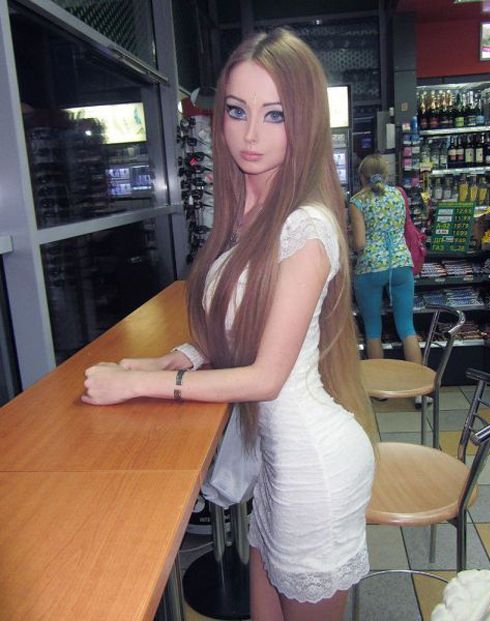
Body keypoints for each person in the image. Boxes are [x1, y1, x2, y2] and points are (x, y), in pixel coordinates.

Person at [82, 28, 375, 621]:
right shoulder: (250, 212)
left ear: (306, 123)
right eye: (238, 111)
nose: (250, 135)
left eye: (276, 116)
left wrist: (139, 384)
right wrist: (183, 355)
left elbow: (267, 375)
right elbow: (246, 317)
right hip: (277, 463)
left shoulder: (308, 227)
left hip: (312, 468)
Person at [349, 154, 422, 365]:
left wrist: (351, 236)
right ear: (386, 174)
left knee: (373, 329)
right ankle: (416, 388)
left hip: (370, 268)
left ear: (362, 176)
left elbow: (360, 244)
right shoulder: (399, 194)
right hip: (400, 264)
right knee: (407, 326)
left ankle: (380, 390)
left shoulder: (357, 201)